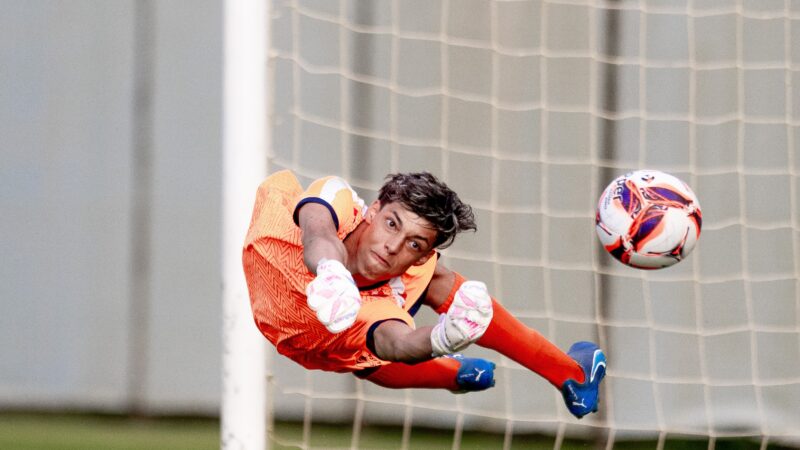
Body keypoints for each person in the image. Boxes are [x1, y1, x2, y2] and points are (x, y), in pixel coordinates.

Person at [243, 170, 606, 418]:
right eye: (391, 224)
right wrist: (331, 271)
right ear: (373, 211)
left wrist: (442, 337)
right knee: (367, 353)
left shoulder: (381, 304)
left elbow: (398, 343)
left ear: (422, 254)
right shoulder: (337, 198)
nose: (391, 246)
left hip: (323, 334)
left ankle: (567, 376)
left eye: (413, 243)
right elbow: (317, 232)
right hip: (284, 273)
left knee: (376, 350)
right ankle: (459, 375)